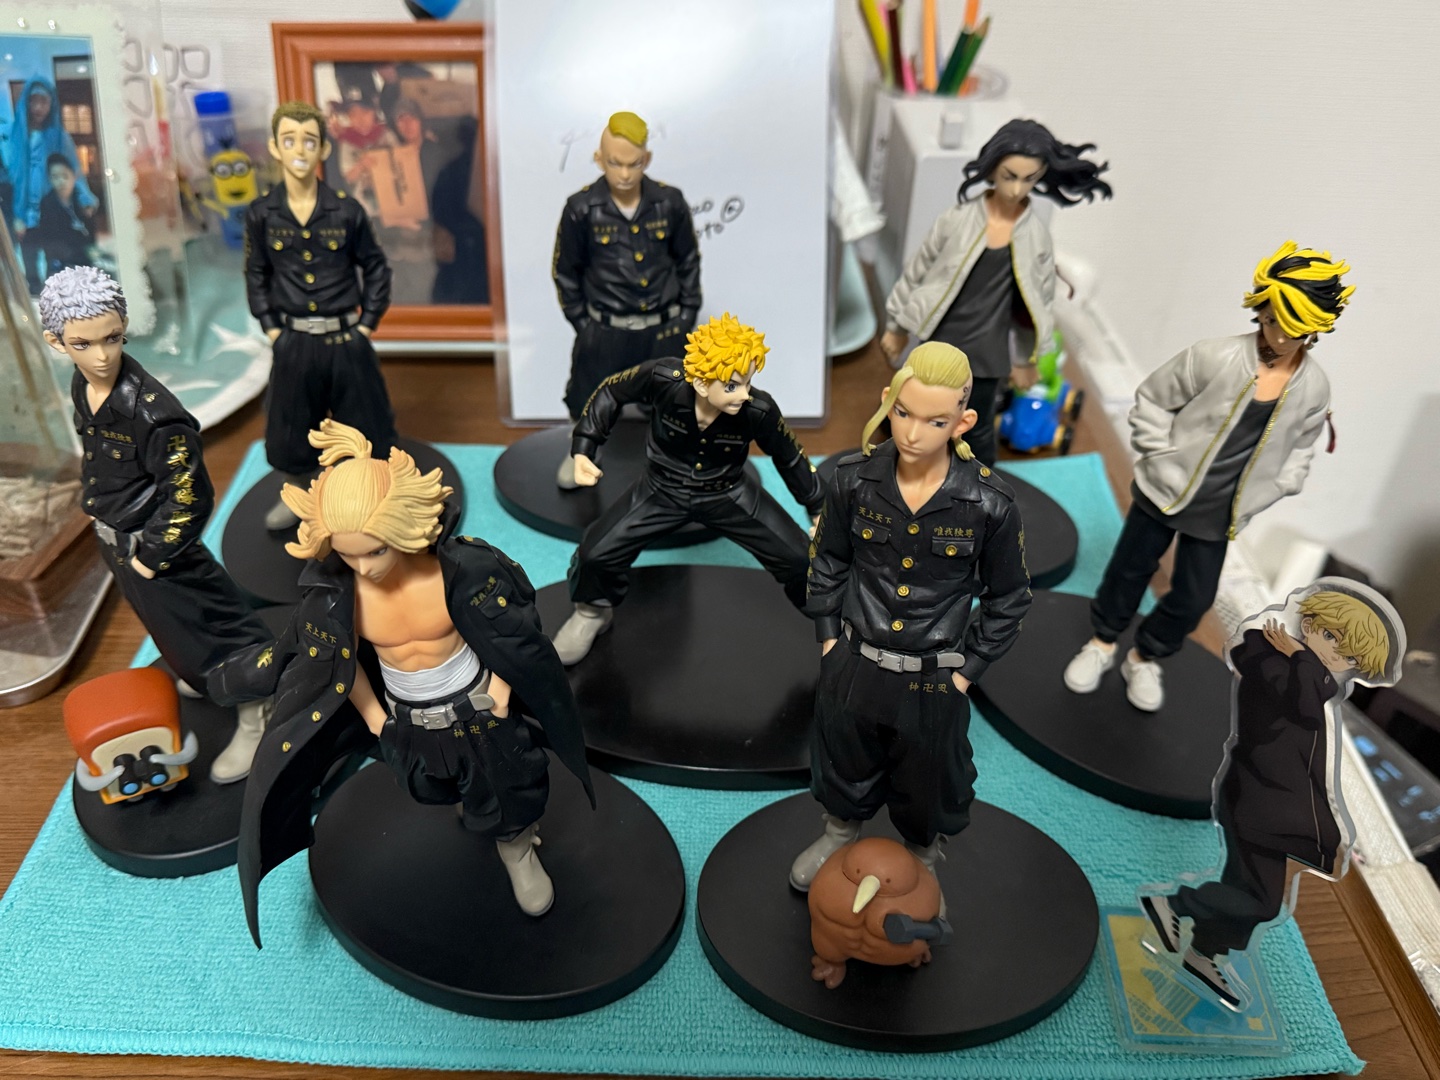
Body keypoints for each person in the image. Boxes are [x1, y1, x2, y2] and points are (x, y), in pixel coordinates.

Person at [207, 421, 593, 942]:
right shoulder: (335, 599)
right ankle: (476, 805)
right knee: (429, 786)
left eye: (375, 551)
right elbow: (337, 665)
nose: (363, 568)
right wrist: (374, 717)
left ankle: (518, 849)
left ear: (404, 528)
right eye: (348, 554)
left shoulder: (466, 570)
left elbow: (516, 629)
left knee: (511, 791)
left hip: (480, 709)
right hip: (407, 720)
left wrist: (502, 688)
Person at [1064, 242, 1351, 712]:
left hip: (1221, 508)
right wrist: (1159, 453)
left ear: (1317, 326)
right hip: (1164, 489)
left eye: (1295, 326)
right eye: (1272, 319)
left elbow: (1303, 445)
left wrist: (1285, 482)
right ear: (1260, 308)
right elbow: (1154, 399)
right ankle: (1101, 643)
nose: (1280, 335)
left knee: (1195, 597)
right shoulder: (1214, 356)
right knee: (1128, 571)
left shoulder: (1314, 388)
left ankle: (1145, 655)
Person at [791, 341, 1032, 896]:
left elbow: (1010, 597)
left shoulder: (989, 503)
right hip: (855, 658)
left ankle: (923, 858)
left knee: (931, 777)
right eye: (903, 412)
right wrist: (829, 642)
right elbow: (827, 561)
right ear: (888, 399)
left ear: (963, 422)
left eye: (935, 421)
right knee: (841, 756)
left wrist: (966, 672)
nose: (913, 433)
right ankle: (838, 833)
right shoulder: (852, 479)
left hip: (933, 672)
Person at [39, 266, 272, 783]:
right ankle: (201, 671)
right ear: (57, 342)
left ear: (124, 327)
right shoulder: (83, 387)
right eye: (83, 344)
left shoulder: (153, 413)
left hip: (153, 545)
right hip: (115, 538)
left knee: (214, 628)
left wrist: (150, 556)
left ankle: (255, 703)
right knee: (173, 631)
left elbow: (189, 495)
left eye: (112, 338)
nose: (102, 356)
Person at [1141, 585, 1400, 1007]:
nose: (1336, 658)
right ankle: (1173, 903)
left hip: (1268, 800)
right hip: (1257, 798)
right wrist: (1301, 657)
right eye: (1332, 638)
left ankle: (1204, 953)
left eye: (1350, 658)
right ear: (1309, 625)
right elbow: (1304, 704)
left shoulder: (1303, 674)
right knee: (1262, 903)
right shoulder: (1276, 663)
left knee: (1245, 887)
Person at [550, 314, 823, 664]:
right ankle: (592, 613)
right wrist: (584, 448)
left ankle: (831, 624)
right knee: (595, 553)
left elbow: (790, 457)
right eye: (732, 386)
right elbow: (611, 392)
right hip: (661, 488)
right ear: (700, 382)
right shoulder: (662, 378)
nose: (744, 395)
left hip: (728, 492)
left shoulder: (759, 410)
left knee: (801, 559)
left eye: (748, 383)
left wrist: (818, 507)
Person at [880, 118, 1111, 465]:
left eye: (1029, 179)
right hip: (940, 338)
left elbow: (1035, 307)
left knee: (977, 428)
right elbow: (917, 271)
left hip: (987, 351)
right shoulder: (957, 220)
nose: (1017, 189)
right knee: (912, 410)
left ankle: (980, 487)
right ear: (992, 169)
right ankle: (899, 475)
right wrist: (897, 327)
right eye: (1009, 176)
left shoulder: (1035, 238)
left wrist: (1026, 359)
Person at [244, 100, 395, 531]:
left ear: (324, 149)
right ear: (274, 147)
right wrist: (272, 328)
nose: (299, 150)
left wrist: (367, 324)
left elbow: (376, 266)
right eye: (289, 140)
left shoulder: (346, 210)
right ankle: (300, 491)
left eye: (309, 141)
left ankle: (367, 492)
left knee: (366, 421)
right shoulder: (262, 213)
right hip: (293, 338)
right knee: (290, 423)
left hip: (345, 337)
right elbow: (256, 272)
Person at [552, 111, 702, 475]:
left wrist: (686, 315)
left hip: (663, 330)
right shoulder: (581, 208)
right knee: (587, 396)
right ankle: (582, 454)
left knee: (673, 399)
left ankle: (672, 463)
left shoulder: (669, 202)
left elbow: (687, 261)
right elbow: (566, 271)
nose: (623, 174)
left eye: (633, 164)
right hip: (605, 330)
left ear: (646, 159)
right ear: (598, 159)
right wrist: (584, 324)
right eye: (614, 163)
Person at [5, 77, 99, 292]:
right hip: (25, 211)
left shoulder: (59, 137)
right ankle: (34, 289)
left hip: (51, 210)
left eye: (44, 101)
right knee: (29, 255)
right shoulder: (16, 136)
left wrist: (84, 197)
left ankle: (55, 295)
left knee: (53, 257)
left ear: (51, 104)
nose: (38, 107)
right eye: (34, 101)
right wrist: (17, 216)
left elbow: (74, 169)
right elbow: (12, 176)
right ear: (26, 102)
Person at [32, 154, 96, 276]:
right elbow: (47, 237)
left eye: (65, 176)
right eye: (55, 177)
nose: (61, 182)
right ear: (49, 179)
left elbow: (91, 231)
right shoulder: (47, 203)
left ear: (74, 176)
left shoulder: (81, 200)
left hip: (83, 260)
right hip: (59, 263)